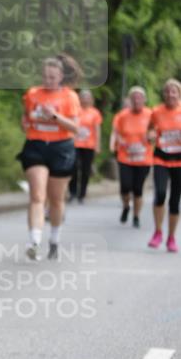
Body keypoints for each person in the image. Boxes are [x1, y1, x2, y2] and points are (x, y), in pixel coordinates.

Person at [19, 56, 81, 261]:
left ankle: (54, 239)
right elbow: (26, 118)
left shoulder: (70, 97)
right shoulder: (32, 94)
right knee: (37, 195)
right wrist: (27, 124)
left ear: (61, 77)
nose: (48, 80)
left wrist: (54, 116)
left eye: (52, 77)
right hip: (36, 146)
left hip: (61, 148)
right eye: (45, 76)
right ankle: (34, 241)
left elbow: (75, 128)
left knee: (56, 199)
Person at [147, 78, 181, 252]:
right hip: (161, 157)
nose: (170, 94)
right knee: (160, 194)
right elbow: (150, 131)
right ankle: (158, 232)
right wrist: (151, 136)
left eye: (173, 91)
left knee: (175, 202)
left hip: (179, 161)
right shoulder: (156, 112)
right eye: (167, 91)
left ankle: (171, 238)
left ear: (179, 94)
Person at [110, 86, 152, 228]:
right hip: (125, 157)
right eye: (134, 97)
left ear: (144, 100)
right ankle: (126, 206)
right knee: (125, 187)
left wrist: (151, 136)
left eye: (139, 97)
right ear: (130, 99)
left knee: (138, 189)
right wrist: (117, 141)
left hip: (143, 158)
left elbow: (156, 132)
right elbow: (115, 132)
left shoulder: (150, 115)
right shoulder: (122, 115)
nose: (136, 100)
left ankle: (136, 216)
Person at [68, 90, 102, 203]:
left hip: (89, 145)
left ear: (91, 99)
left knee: (85, 170)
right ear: (79, 99)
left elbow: (97, 129)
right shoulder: (75, 110)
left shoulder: (95, 113)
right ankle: (72, 192)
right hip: (75, 143)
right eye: (83, 97)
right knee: (73, 167)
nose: (85, 99)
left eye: (87, 97)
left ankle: (82, 194)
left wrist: (97, 145)